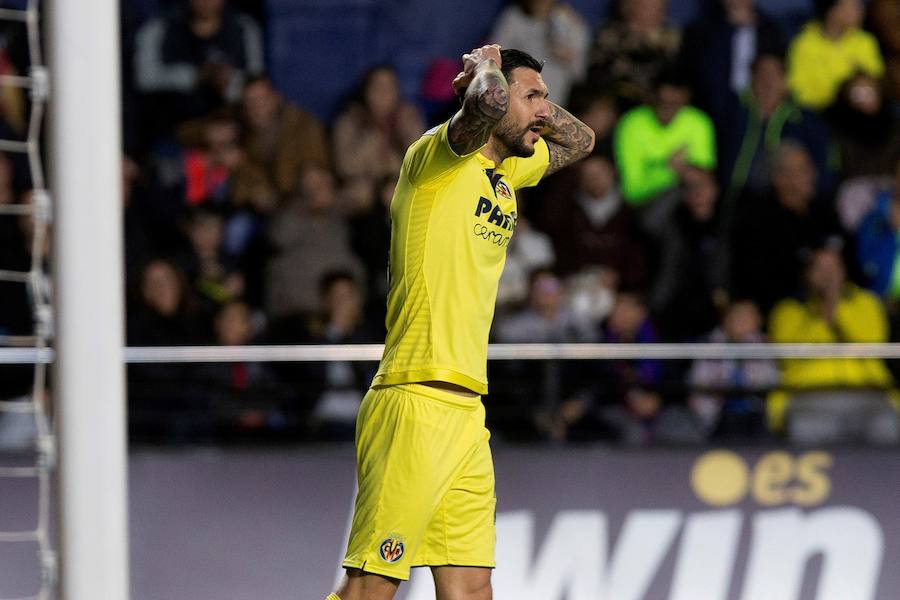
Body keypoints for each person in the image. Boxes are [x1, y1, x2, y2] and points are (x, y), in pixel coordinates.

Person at [327, 45, 594, 600]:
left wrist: (527, 103)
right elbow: (488, 105)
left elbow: (582, 141)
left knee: (471, 589)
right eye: (533, 96)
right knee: (371, 586)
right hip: (414, 399)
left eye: (546, 98)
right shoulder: (435, 159)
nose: (545, 111)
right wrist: (488, 74)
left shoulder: (509, 171)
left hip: (468, 413)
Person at [786, 0, 884, 111]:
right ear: (831, 11)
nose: (859, 11)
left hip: (856, 111)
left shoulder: (865, 41)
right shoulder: (803, 44)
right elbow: (800, 91)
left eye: (858, 6)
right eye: (851, 7)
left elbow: (875, 79)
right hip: (818, 112)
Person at [489, 0, 591, 106]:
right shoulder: (513, 18)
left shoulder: (570, 23)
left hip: (552, 101)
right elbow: (495, 57)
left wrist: (569, 57)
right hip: (516, 97)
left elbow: (579, 72)